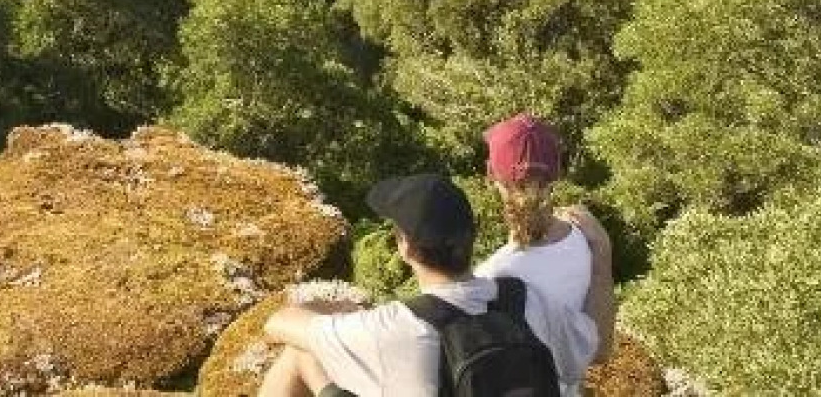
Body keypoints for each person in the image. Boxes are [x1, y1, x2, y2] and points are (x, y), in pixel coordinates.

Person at [260, 173, 596, 396]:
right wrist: (601, 258)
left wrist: (343, 310)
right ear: (471, 238)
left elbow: (278, 323)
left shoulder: (393, 327)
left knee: (300, 354)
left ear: (405, 246)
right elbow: (593, 346)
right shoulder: (523, 299)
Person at [475, 113, 616, 382]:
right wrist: (604, 254)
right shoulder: (589, 239)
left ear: (490, 174)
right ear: (556, 173)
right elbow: (599, 352)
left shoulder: (490, 278)